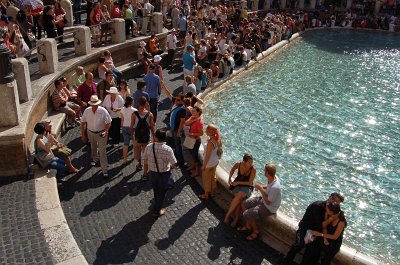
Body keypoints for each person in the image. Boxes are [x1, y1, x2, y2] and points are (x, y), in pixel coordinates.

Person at [284, 192, 345, 264]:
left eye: (339, 203)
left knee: (315, 250)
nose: (338, 205)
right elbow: (319, 225)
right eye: (336, 202)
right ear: (330, 198)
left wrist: (322, 236)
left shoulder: (333, 210)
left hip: (317, 231)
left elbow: (327, 227)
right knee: (300, 244)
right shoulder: (318, 206)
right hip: (305, 227)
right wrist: (330, 219)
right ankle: (286, 261)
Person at [239, 163, 282, 241]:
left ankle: (255, 231)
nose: (263, 171)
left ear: (268, 173)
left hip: (269, 208)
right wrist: (262, 186)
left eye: (265, 170)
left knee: (246, 214)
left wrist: (261, 189)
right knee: (244, 203)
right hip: (263, 199)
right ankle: (249, 225)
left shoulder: (276, 187)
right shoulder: (273, 178)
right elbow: (269, 187)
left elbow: (268, 202)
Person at [143, 128, 177, 218]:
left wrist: (144, 173)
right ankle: (156, 211)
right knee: (162, 193)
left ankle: (156, 204)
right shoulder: (168, 149)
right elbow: (174, 164)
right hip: (163, 174)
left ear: (156, 138)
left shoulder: (149, 146)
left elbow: (145, 160)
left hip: (152, 173)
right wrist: (171, 166)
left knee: (156, 190)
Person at [81, 95, 112, 178]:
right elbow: (83, 122)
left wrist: (106, 131)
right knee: (93, 147)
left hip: (101, 133)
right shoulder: (87, 111)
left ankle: (104, 170)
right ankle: (95, 158)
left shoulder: (103, 111)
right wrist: (83, 134)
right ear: (91, 104)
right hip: (90, 132)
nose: (95, 106)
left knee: (102, 152)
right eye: (93, 104)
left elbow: (108, 122)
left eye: (96, 104)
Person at [224, 153, 256, 227]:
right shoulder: (238, 164)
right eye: (249, 162)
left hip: (247, 187)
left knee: (239, 195)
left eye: (251, 162)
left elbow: (250, 183)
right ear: (244, 161)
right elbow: (232, 170)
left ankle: (228, 216)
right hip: (238, 185)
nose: (251, 164)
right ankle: (235, 219)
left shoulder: (253, 170)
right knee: (239, 199)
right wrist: (229, 178)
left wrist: (238, 182)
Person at [131, 96, 155, 171]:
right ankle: (145, 171)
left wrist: (132, 136)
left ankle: (139, 164)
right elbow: (152, 127)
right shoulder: (150, 114)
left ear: (138, 103)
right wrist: (154, 137)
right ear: (146, 103)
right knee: (146, 154)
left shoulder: (134, 114)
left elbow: (131, 126)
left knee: (137, 152)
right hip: (147, 137)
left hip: (137, 137)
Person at [199, 124, 222, 201]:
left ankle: (206, 195)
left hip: (209, 163)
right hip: (215, 161)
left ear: (210, 131)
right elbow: (220, 150)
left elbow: (207, 156)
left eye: (207, 130)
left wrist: (204, 166)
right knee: (212, 177)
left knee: (206, 179)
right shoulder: (217, 139)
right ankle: (212, 192)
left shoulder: (210, 143)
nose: (205, 131)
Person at [184, 106, 204, 176]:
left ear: (198, 112)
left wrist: (191, 133)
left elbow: (201, 133)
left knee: (195, 156)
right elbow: (186, 123)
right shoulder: (193, 117)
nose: (192, 112)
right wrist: (193, 120)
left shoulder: (199, 122)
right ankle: (193, 166)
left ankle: (197, 171)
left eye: (194, 111)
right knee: (191, 153)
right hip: (191, 139)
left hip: (196, 141)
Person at [120, 96, 137, 164]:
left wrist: (122, 127)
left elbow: (122, 120)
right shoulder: (135, 110)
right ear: (132, 102)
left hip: (124, 126)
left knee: (125, 143)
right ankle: (136, 156)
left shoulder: (122, 109)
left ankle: (125, 159)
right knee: (134, 143)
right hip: (132, 127)